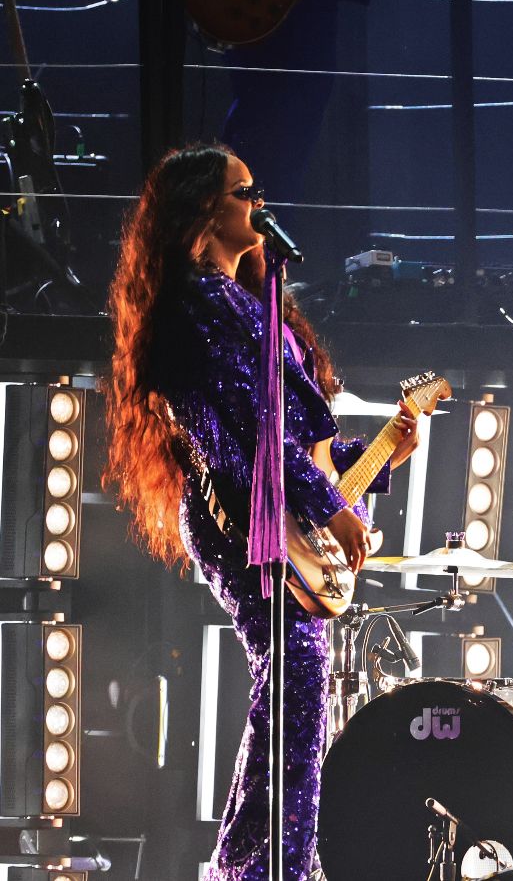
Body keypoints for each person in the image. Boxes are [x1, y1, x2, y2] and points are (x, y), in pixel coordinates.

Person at [103, 143, 417, 880]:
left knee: (295, 681)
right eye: (247, 191)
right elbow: (254, 435)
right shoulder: (200, 302)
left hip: (273, 507)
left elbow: (299, 445)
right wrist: (329, 505)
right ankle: (260, 867)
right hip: (240, 515)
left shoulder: (248, 299)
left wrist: (377, 459)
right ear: (206, 211)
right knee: (296, 674)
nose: (261, 203)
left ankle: (260, 866)